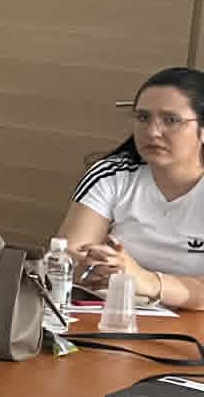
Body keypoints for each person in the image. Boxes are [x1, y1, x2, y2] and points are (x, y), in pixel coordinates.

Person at [59, 66, 204, 308]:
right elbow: (67, 256)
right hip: (116, 313)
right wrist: (94, 266)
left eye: (171, 120)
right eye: (143, 117)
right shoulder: (111, 174)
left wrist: (145, 281)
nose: (152, 132)